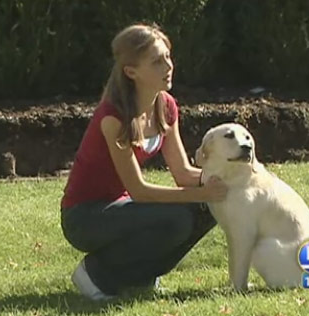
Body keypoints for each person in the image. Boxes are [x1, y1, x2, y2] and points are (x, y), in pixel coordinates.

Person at [60, 23, 228, 300]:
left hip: (120, 208)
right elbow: (139, 190)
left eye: (167, 57)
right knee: (177, 219)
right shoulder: (114, 117)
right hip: (84, 217)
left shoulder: (166, 106)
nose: (168, 66)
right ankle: (96, 273)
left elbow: (184, 172)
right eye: (156, 61)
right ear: (131, 72)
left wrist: (225, 177)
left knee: (208, 208)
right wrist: (202, 192)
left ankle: (143, 275)